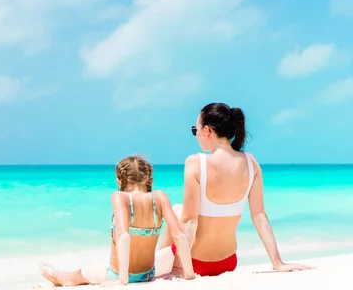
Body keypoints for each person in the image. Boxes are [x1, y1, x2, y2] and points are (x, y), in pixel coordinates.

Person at [155, 102, 315, 277]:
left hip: (196, 263)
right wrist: (278, 263)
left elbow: (189, 222)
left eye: (196, 130)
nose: (196, 135)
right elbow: (259, 216)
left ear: (207, 131)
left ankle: (155, 265)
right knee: (178, 210)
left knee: (177, 212)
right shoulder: (250, 162)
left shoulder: (196, 163)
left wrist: (181, 270)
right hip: (228, 263)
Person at [39, 155, 195, 287]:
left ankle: (59, 277)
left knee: (80, 274)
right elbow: (179, 235)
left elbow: (123, 235)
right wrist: (188, 273)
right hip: (147, 274)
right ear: (150, 180)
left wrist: (123, 279)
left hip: (116, 274)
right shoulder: (160, 197)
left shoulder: (120, 197)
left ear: (119, 181)